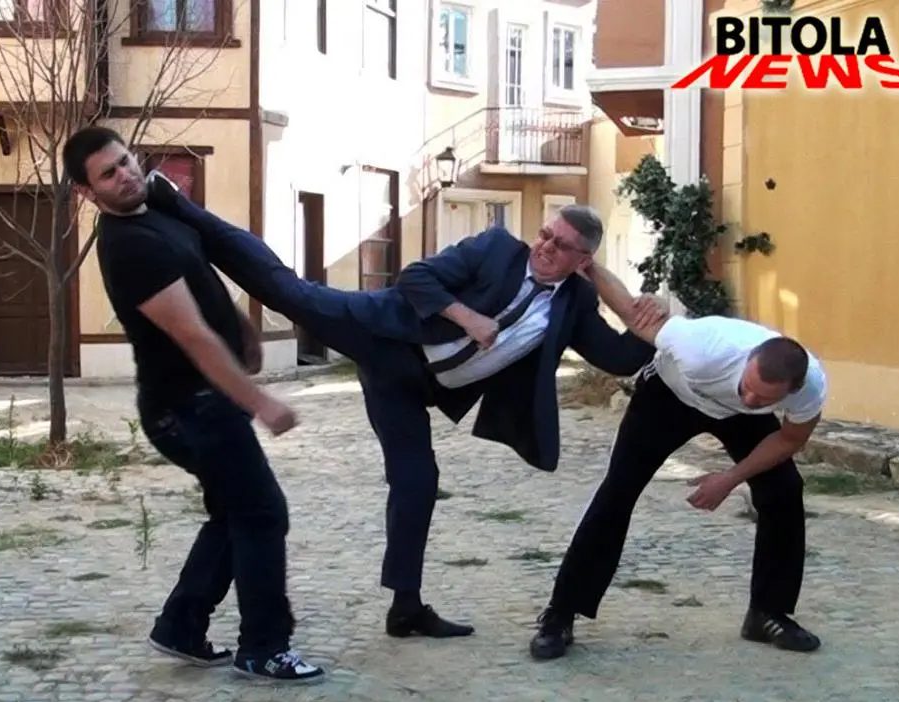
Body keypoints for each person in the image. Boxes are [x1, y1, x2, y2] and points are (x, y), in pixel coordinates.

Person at [145, 175, 666, 638]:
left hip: (410, 388)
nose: (546, 246)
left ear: (582, 262)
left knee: (417, 481)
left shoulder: (574, 304)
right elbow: (417, 277)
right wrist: (466, 317)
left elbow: (620, 357)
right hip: (383, 333)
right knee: (288, 290)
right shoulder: (496, 248)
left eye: (562, 245)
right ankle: (181, 208)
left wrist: (653, 321)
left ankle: (406, 608)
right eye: (546, 234)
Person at [62, 126, 324, 684]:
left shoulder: (157, 211)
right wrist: (260, 402)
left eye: (125, 161)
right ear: (87, 192)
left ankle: (180, 626)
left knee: (235, 511)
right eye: (108, 173)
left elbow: (204, 275)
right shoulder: (129, 247)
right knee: (262, 512)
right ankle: (264, 648)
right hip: (186, 410)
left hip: (204, 402)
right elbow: (193, 336)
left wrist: (245, 330)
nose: (125, 175)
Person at [528, 286, 828, 660]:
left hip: (738, 420)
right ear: (748, 360)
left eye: (764, 398)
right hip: (670, 396)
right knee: (618, 492)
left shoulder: (810, 387)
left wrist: (729, 479)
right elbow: (634, 315)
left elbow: (789, 439)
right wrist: (588, 268)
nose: (750, 399)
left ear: (792, 389)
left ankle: (768, 613)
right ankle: (560, 614)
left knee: (783, 490)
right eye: (748, 387)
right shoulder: (701, 346)